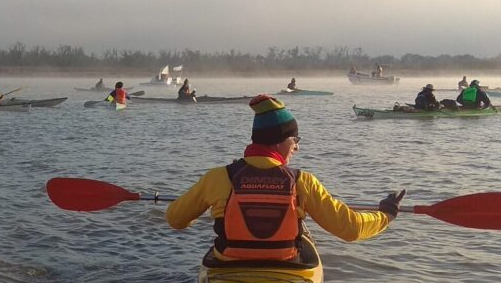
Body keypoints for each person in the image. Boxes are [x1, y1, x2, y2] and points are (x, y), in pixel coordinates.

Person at [166, 95, 402, 263]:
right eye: (295, 140)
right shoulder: (302, 181)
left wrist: (210, 209)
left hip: (229, 265)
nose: (296, 148)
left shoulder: (217, 178)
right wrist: (386, 215)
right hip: (285, 267)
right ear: (282, 141)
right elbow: (350, 229)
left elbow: (175, 219)